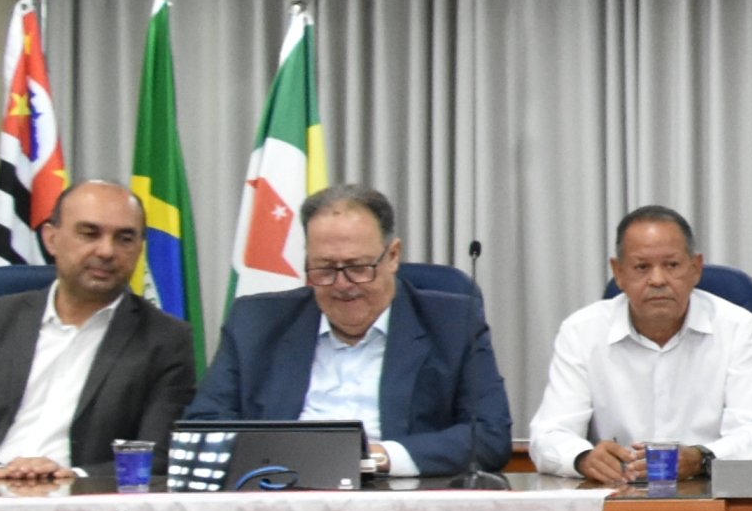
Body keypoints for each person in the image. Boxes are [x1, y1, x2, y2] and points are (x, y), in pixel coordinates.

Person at [184, 182, 512, 476]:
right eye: (325, 269)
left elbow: (488, 435)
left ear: (392, 256)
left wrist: (375, 457)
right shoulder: (256, 322)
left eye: (357, 267)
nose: (342, 284)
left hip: (398, 502)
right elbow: (202, 429)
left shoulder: (453, 323)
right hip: (280, 496)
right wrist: (289, 459)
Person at [0, 179, 196, 483]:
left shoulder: (165, 339)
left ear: (140, 248)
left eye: (124, 238)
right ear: (51, 239)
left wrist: (70, 477)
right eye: (89, 233)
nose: (107, 251)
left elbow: (159, 455)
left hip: (85, 502)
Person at [528, 204, 752, 485]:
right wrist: (583, 458)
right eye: (642, 267)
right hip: (616, 493)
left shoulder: (737, 328)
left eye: (672, 265)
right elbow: (549, 434)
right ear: (619, 272)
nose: (658, 280)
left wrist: (700, 458)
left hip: (709, 491)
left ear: (695, 268)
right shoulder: (581, 331)